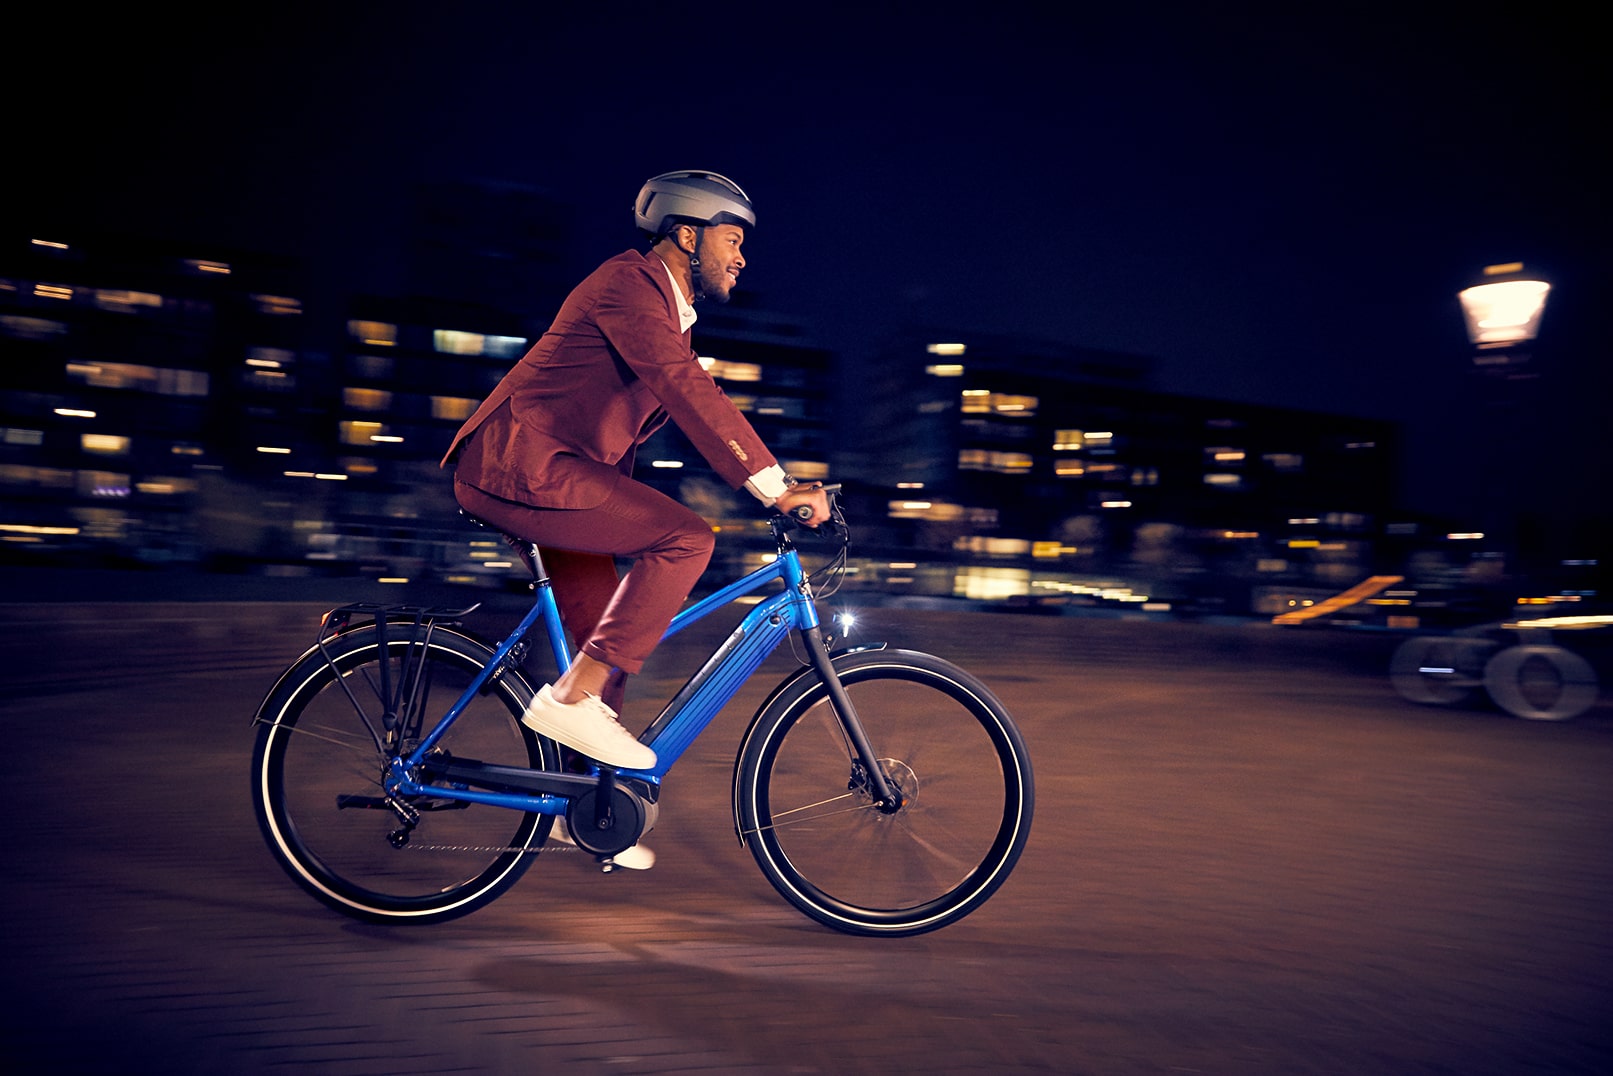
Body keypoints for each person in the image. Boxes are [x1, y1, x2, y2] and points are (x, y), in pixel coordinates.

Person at [441, 169, 829, 788]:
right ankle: (569, 703)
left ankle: (587, 806)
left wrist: (781, 481)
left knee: (607, 641)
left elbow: (699, 397)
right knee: (686, 538)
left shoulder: (667, 314)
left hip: (551, 476)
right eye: (732, 240)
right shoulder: (630, 286)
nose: (742, 258)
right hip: (519, 469)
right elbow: (684, 387)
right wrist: (776, 489)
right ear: (686, 235)